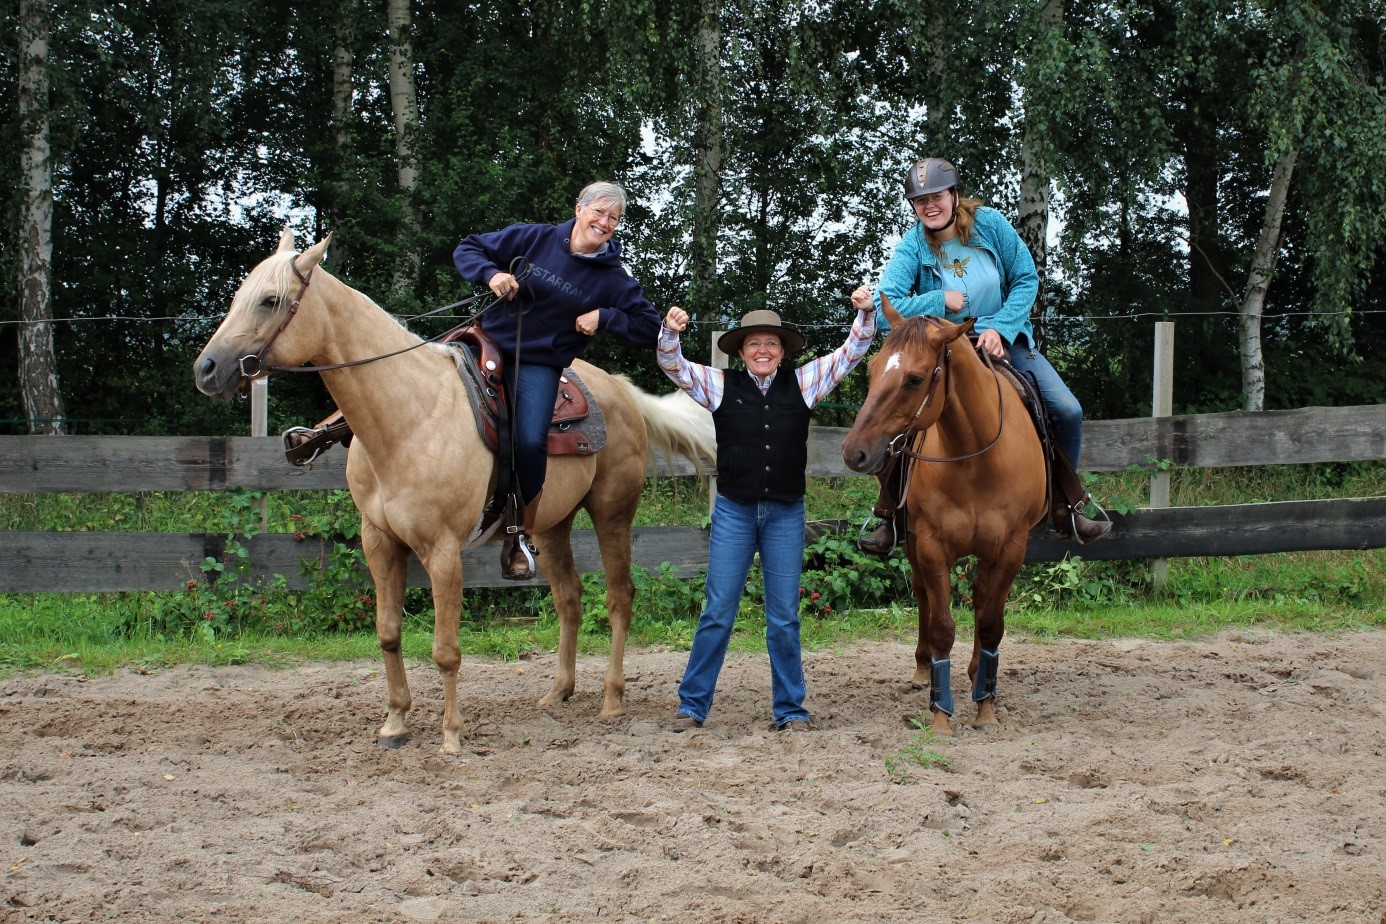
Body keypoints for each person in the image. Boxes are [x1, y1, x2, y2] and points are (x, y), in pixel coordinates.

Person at [857, 158, 1111, 554]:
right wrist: (939, 299)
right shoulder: (913, 244)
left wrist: (1001, 328)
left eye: (936, 196)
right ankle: (889, 512)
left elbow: (1027, 278)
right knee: (906, 412)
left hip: (1003, 340)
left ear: (954, 195)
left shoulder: (990, 225)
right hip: (942, 348)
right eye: (919, 200)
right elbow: (889, 302)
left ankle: (1068, 499)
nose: (929, 206)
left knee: (1065, 408)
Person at [658, 291, 876, 733]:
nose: (763, 350)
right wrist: (670, 333)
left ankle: (791, 709)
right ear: (740, 351)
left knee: (783, 615)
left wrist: (866, 313)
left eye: (771, 344)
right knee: (718, 610)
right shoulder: (720, 386)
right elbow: (672, 366)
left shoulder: (805, 382)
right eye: (754, 344)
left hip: (785, 514)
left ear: (782, 351)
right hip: (734, 512)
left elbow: (851, 352)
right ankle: (692, 706)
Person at [452, 181, 662, 579]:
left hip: (536, 362)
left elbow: (650, 327)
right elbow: (469, 246)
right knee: (415, 373)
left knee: (530, 439)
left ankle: (520, 533)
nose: (604, 222)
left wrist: (606, 318)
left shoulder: (613, 279)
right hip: (484, 341)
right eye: (598, 212)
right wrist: (491, 272)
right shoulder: (533, 237)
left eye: (613, 218)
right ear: (578, 208)